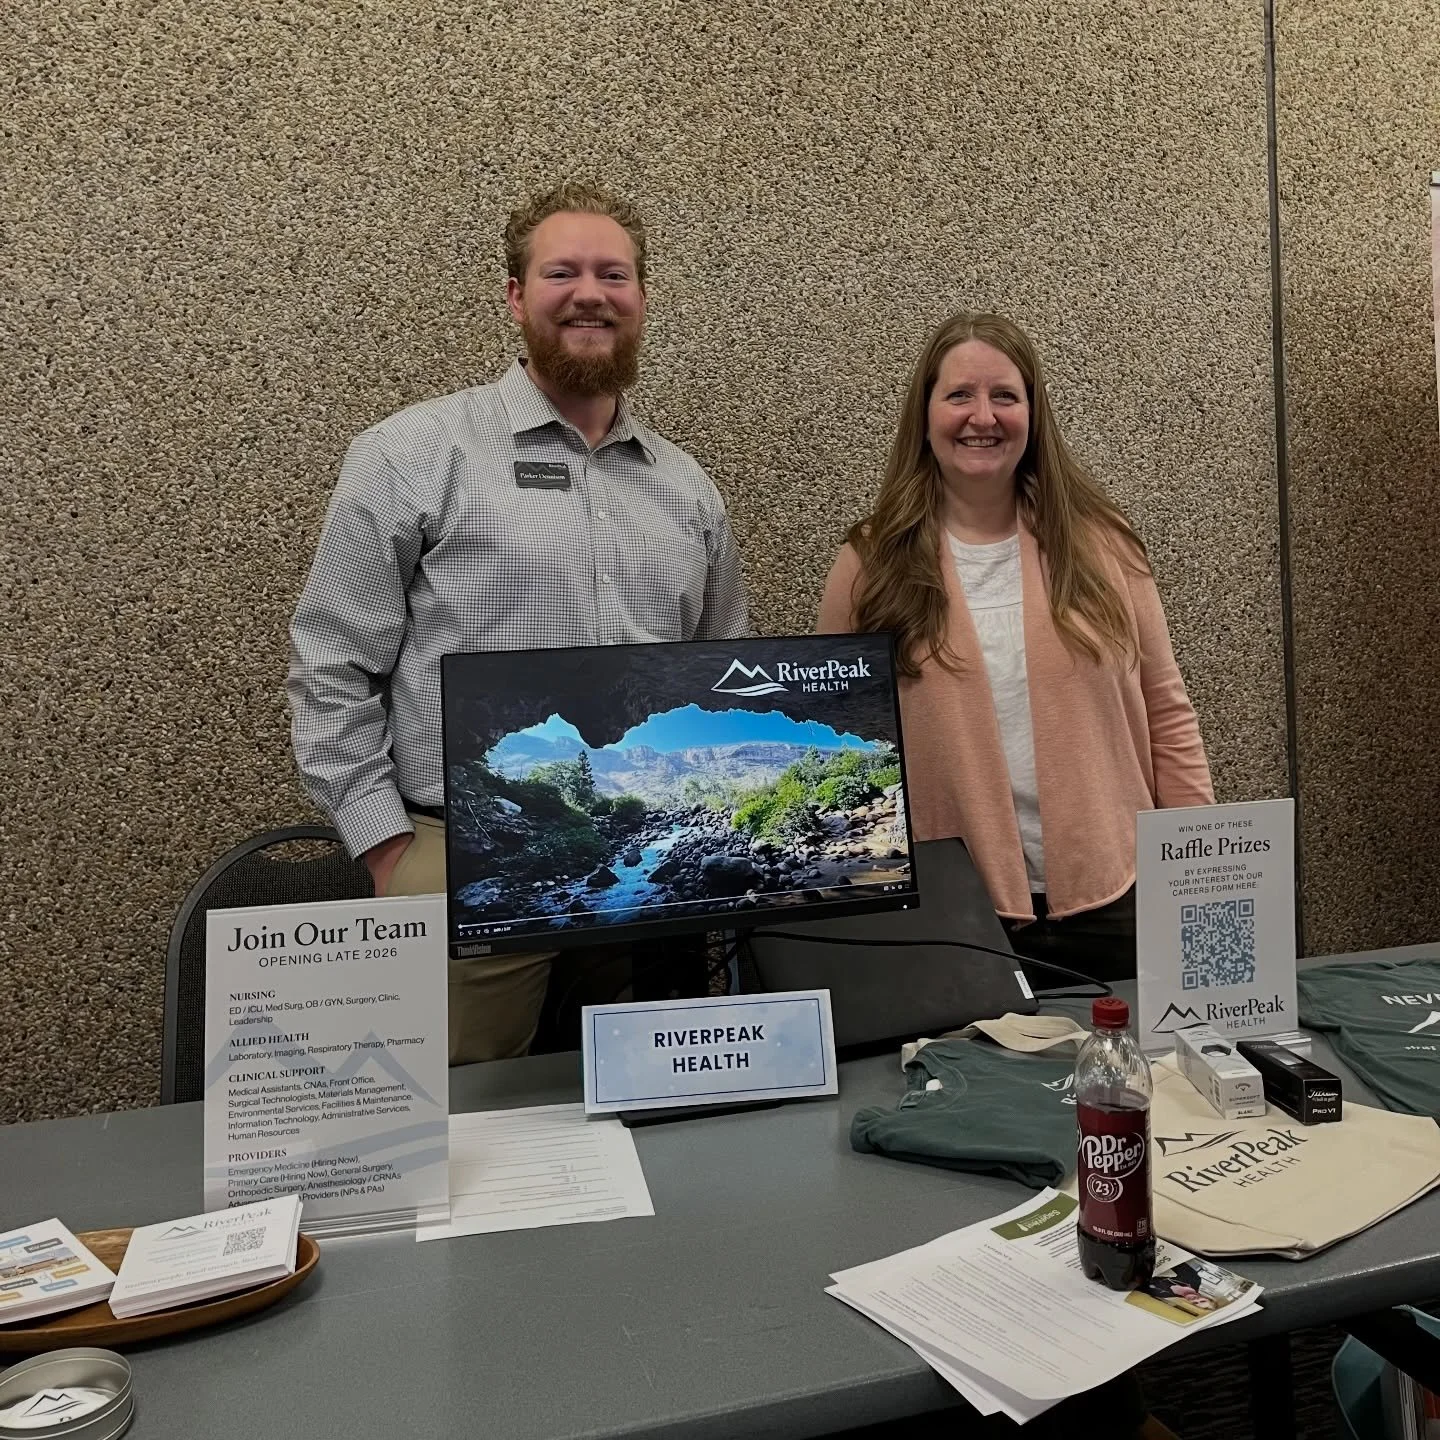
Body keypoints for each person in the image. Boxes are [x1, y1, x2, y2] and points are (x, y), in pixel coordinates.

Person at [288, 181, 749, 1062]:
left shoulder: (686, 488)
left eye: (613, 274)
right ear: (515, 297)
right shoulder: (414, 454)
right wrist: (386, 843)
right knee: (459, 1133)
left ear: (642, 299)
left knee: (663, 1125)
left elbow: (717, 667)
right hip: (464, 850)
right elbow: (331, 664)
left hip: (651, 866)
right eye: (561, 272)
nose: (590, 293)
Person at [817, 312, 1212, 980]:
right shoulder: (868, 563)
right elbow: (837, 749)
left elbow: (1166, 711)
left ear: (1033, 413)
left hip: (1121, 899)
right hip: (954, 915)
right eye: (959, 396)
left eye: (1005, 395)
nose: (983, 416)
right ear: (925, 414)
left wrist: (1199, 877)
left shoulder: (1105, 546)